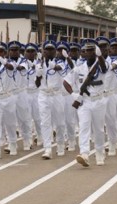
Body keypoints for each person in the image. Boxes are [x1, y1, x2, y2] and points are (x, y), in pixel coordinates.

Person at [64, 38, 108, 167]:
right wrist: (74, 95)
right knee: (84, 127)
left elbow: (104, 68)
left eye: (91, 51)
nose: (89, 53)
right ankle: (84, 153)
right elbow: (66, 82)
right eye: (86, 51)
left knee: (99, 130)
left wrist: (100, 57)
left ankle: (100, 153)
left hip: (99, 101)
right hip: (84, 102)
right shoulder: (79, 69)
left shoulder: (102, 64)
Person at [35, 39, 66, 159]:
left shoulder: (61, 62)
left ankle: (60, 144)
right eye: (46, 50)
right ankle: (47, 148)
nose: (48, 52)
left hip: (56, 95)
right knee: (45, 122)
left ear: (55, 51)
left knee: (59, 122)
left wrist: (51, 65)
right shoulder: (39, 64)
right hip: (43, 95)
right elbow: (37, 84)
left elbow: (59, 68)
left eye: (51, 50)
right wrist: (38, 75)